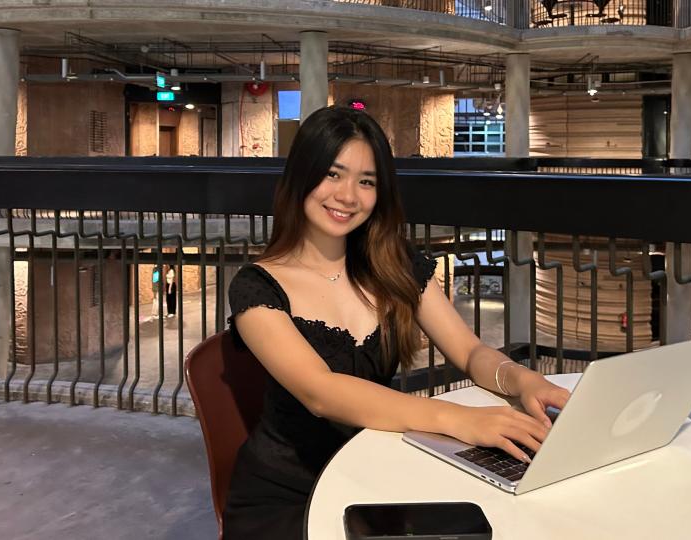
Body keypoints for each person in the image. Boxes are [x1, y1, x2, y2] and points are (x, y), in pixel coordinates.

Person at [225, 106, 570, 539]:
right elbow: (321, 392)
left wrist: (521, 381)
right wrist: (457, 419)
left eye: (366, 181)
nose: (348, 196)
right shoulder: (257, 286)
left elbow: (468, 351)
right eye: (333, 174)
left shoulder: (395, 265)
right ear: (301, 176)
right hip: (289, 496)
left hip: (379, 473)